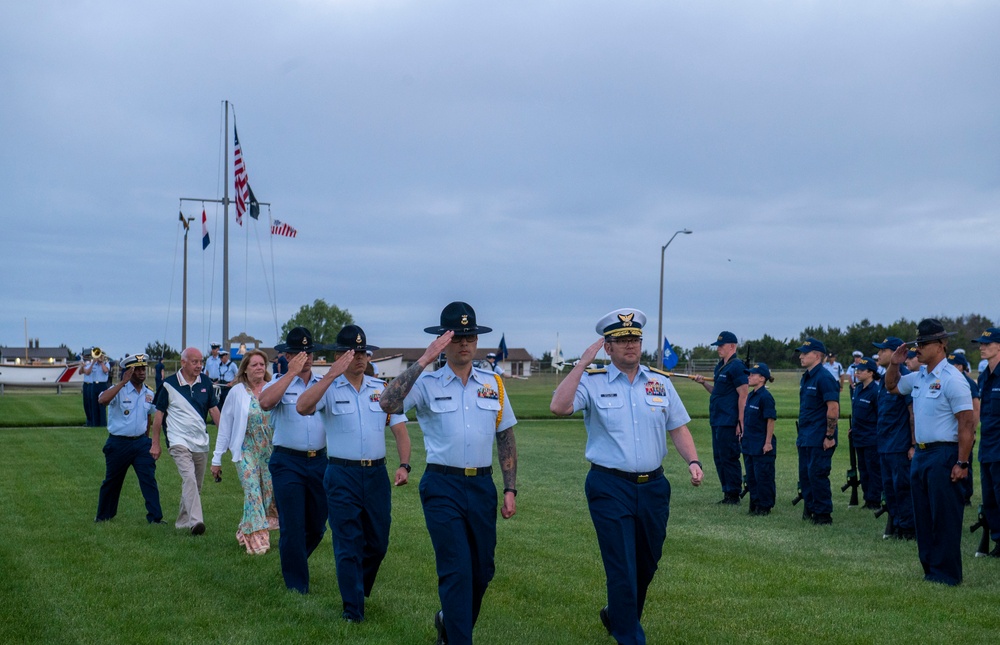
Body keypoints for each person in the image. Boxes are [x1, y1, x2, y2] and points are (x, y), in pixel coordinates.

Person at [550, 308, 703, 645]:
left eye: (634, 339)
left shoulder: (659, 383)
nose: (630, 345)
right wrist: (579, 364)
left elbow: (677, 427)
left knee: (646, 564)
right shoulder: (592, 380)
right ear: (608, 348)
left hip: (654, 488)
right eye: (622, 340)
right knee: (622, 567)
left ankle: (617, 614)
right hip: (609, 486)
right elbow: (559, 407)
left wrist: (693, 460)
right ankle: (629, 636)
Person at [379, 302, 518, 645]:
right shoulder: (426, 382)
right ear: (444, 341)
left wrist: (510, 488)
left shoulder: (494, 383)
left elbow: (506, 436)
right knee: (456, 570)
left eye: (469, 336)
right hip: (443, 485)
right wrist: (424, 360)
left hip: (482, 485)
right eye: (456, 337)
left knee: (482, 571)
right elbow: (387, 403)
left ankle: (448, 620)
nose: (464, 344)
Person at [296, 325, 411, 623]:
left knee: (377, 542)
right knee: (347, 542)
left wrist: (404, 463)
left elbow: (399, 427)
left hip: (375, 476)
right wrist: (333, 373)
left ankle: (358, 586)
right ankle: (352, 610)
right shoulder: (328, 387)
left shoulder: (379, 389)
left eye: (363, 352)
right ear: (339, 356)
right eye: (352, 352)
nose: (359, 358)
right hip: (341, 474)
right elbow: (302, 406)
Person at [884, 319, 974, 586]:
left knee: (944, 516)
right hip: (921, 454)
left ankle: (947, 574)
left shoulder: (953, 380)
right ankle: (930, 570)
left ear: (941, 345)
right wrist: (894, 364)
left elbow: (967, 424)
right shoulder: (919, 377)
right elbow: (891, 386)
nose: (917, 349)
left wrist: (962, 461)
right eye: (916, 344)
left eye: (922, 344)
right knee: (923, 516)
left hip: (944, 454)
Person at [259, 327, 330, 593]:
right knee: (292, 524)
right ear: (287, 355)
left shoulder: (323, 383)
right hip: (287, 462)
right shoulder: (277, 382)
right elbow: (265, 402)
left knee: (317, 525)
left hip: (319, 461)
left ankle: (293, 559)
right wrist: (290, 374)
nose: (306, 357)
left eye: (309, 351)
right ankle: (297, 586)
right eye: (299, 352)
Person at [210, 349, 279, 555]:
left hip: (269, 450)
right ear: (245, 370)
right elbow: (225, 427)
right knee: (253, 493)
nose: (259, 368)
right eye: (254, 365)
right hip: (246, 449)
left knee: (267, 494)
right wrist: (217, 458)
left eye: (262, 364)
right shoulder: (236, 392)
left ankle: (244, 530)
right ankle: (258, 542)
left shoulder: (273, 388)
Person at [151, 346, 220, 535]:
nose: (199, 365)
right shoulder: (168, 385)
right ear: (183, 362)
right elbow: (158, 416)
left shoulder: (205, 382)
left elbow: (214, 411)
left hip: (200, 441)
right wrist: (155, 442)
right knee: (188, 478)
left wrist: (224, 437)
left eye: (201, 362)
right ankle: (196, 522)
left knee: (195, 485)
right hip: (177, 440)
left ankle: (182, 521)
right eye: (194, 362)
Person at [94, 353, 162, 524]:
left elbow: (149, 416)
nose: (141, 372)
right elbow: (102, 400)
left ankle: (155, 518)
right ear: (128, 372)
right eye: (137, 369)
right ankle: (103, 516)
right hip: (118, 443)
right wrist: (123, 382)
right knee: (112, 481)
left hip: (140, 443)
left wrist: (148, 440)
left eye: (143, 369)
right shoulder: (119, 390)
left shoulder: (148, 392)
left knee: (148, 480)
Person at [694, 331, 747, 504]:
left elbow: (743, 395)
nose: (718, 349)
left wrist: (740, 421)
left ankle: (733, 493)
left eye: (721, 346)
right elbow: (717, 391)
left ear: (732, 346)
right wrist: (704, 384)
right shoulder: (720, 366)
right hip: (717, 419)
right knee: (719, 456)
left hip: (729, 420)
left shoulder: (737, 366)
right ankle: (726, 491)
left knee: (729, 456)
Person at [873, 336, 915, 540]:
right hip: (885, 444)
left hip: (899, 444)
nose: (879, 354)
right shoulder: (884, 380)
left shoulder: (904, 377)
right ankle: (897, 524)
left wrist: (913, 444)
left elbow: (912, 411)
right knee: (889, 488)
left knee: (903, 488)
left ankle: (908, 528)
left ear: (895, 352)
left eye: (883, 350)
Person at [795, 338, 840, 525]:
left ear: (818, 355)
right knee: (805, 475)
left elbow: (833, 408)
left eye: (806, 353)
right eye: (801, 353)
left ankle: (823, 514)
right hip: (806, 434)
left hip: (819, 436)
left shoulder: (825, 378)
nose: (801, 356)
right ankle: (811, 508)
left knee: (817, 474)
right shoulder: (807, 377)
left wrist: (829, 435)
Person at [972, 327, 1000, 556]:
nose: (981, 347)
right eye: (980, 343)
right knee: (990, 498)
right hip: (987, 446)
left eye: (987, 344)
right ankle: (998, 540)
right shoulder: (983, 377)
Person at [742, 362, 776, 516]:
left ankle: (764, 506)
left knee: (763, 476)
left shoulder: (766, 397)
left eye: (752, 375)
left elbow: (770, 420)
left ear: (762, 378)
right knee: (751, 476)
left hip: (761, 444)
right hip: (749, 443)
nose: (749, 377)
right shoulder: (751, 395)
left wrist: (768, 442)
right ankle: (754, 504)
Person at [850, 358, 883, 510]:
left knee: (873, 469)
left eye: (861, 370)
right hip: (859, 436)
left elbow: (879, 416)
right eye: (857, 370)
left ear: (870, 373)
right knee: (862, 469)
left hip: (871, 437)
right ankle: (867, 497)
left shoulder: (875, 391)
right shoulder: (857, 389)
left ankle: (874, 499)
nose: (857, 373)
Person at [948, 352, 980, 507]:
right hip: (955, 431)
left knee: (966, 462)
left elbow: (975, 408)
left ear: (960, 366)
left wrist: (972, 432)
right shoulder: (952, 381)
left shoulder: (968, 382)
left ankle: (966, 496)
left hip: (966, 431)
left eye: (952, 364)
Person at [85, 352, 111, 427]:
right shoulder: (93, 364)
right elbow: (87, 372)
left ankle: (103, 424)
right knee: (94, 405)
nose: (99, 357)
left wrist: (101, 362)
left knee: (102, 405)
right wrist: (93, 363)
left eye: (101, 356)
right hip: (94, 385)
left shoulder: (106, 363)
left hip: (102, 385)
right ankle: (95, 424)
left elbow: (106, 371)